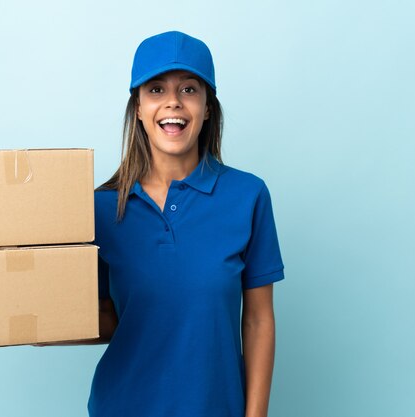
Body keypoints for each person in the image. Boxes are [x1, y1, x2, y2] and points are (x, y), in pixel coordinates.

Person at [39, 31, 285, 417]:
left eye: (189, 89)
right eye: (156, 89)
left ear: (207, 108)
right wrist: (39, 325)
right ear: (137, 107)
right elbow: (109, 320)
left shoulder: (248, 196)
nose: (173, 101)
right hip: (122, 405)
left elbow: (257, 320)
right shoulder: (100, 209)